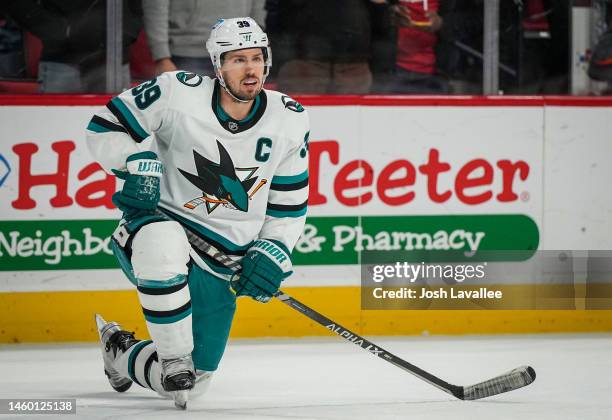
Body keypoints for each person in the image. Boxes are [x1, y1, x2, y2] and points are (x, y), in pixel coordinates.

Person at [86, 17, 309, 409]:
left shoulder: (289, 118)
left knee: (192, 384)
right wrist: (135, 161)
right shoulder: (176, 92)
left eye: (257, 57)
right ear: (218, 65)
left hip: (222, 261)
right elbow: (105, 126)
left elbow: (289, 203)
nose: (251, 68)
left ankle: (119, 350)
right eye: (238, 59)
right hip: (154, 227)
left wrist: (273, 250)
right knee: (162, 241)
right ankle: (171, 357)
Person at [0, 0, 142, 93]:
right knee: (53, 129)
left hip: (113, 60)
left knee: (116, 130)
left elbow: (139, 7)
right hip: (63, 59)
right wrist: (58, 30)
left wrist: (126, 30)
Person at [143, 0, 266, 76]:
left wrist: (256, 36)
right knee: (187, 114)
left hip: (240, 52)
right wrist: (162, 57)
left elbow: (258, 5)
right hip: (188, 53)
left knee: (235, 116)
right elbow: (155, 6)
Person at [390, 0, 449, 93]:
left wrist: (442, 24)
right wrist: (389, 11)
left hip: (433, 71)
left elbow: (467, 19)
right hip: (394, 69)